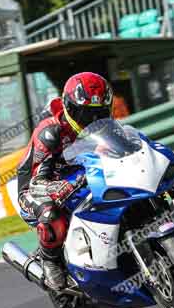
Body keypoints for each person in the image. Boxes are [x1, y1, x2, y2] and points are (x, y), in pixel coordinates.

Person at [16, 72, 113, 291]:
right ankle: (49, 260)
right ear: (70, 108)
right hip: (35, 188)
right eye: (86, 114)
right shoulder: (51, 131)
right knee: (52, 214)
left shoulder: (105, 127)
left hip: (79, 175)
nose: (93, 121)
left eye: (99, 113)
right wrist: (62, 186)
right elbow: (37, 181)